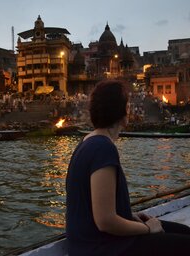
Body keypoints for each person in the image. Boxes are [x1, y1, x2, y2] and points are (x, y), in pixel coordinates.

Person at [66, 80, 190, 256]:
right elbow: (105, 221)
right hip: (103, 247)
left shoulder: (88, 142)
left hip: (93, 244)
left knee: (183, 231)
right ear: (122, 112)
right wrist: (146, 229)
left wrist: (129, 215)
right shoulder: (102, 148)